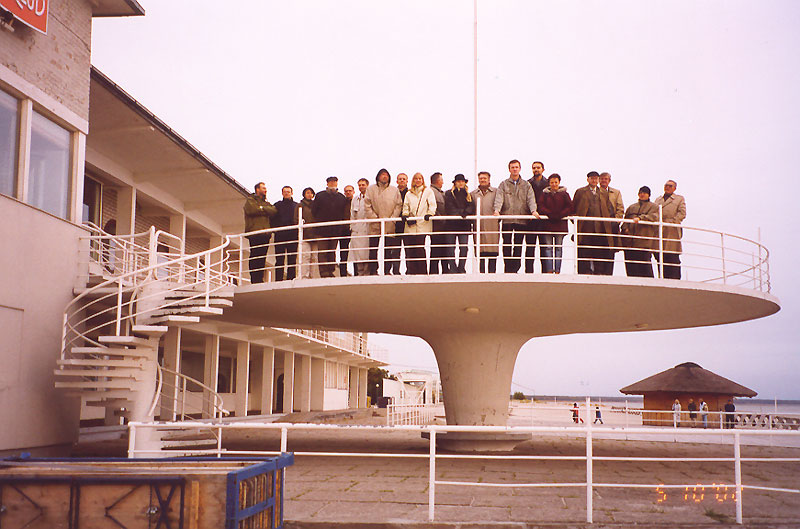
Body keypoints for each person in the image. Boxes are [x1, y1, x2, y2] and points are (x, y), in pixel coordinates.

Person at [493, 159, 538, 273]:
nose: (514, 169)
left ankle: (515, 267)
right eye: (512, 167)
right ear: (509, 169)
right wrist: (497, 211)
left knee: (518, 245)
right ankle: (508, 268)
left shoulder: (526, 185)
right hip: (507, 219)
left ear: (520, 169)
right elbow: (499, 198)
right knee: (506, 244)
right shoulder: (503, 184)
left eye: (516, 167)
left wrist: (533, 211)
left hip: (521, 219)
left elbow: (530, 199)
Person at [572, 171, 614, 275]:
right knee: (585, 250)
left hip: (600, 228)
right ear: (588, 179)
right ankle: (585, 271)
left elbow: (609, 209)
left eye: (596, 178)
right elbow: (573, 208)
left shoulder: (603, 193)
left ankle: (598, 271)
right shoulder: (581, 191)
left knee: (598, 251)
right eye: (592, 178)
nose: (594, 180)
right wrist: (576, 222)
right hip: (585, 228)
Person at [365, 168, 402, 275]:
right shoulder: (370, 189)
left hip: (389, 224)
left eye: (386, 175)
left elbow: (398, 205)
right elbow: (367, 205)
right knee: (373, 249)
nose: (384, 176)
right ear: (378, 176)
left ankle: (387, 270)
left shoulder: (394, 190)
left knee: (388, 249)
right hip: (375, 224)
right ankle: (373, 270)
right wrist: (374, 219)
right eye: (382, 175)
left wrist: (393, 219)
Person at [312, 177, 348, 278]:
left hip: (335, 230)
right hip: (322, 230)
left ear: (337, 183)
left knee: (332, 252)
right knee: (323, 251)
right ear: (327, 183)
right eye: (330, 182)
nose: (332, 184)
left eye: (334, 182)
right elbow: (314, 211)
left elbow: (343, 212)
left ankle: (331, 271)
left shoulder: (341, 197)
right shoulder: (320, 195)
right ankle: (323, 272)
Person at [537, 174, 573, 274]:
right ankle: (549, 270)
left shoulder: (565, 194)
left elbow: (569, 207)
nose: (554, 184)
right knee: (548, 248)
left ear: (559, 182)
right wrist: (550, 214)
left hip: (560, 225)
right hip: (548, 225)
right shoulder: (544, 194)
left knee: (558, 248)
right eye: (552, 182)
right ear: (549, 183)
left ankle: (557, 270)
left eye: (555, 182)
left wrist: (559, 215)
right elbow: (540, 206)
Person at [401, 172, 437, 275]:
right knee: (410, 249)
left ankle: (422, 271)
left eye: (420, 178)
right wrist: (405, 214)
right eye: (416, 178)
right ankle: (411, 270)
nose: (418, 180)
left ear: (423, 180)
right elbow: (406, 206)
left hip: (422, 224)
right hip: (410, 225)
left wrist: (430, 213)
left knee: (419, 248)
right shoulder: (409, 193)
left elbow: (432, 204)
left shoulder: (427, 191)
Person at [243, 181, 278, 283]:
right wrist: (265, 210)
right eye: (263, 188)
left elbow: (274, 211)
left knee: (262, 257)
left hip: (265, 234)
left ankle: (260, 278)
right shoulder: (250, 200)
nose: (265, 190)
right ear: (257, 189)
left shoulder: (266, 203)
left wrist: (262, 208)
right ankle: (254, 279)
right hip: (255, 232)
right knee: (255, 255)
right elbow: (251, 210)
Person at [622, 186, 659, 278]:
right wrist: (625, 229)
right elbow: (625, 220)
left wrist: (641, 218)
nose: (642, 194)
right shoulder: (631, 207)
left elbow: (654, 217)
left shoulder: (654, 207)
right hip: (630, 242)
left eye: (645, 193)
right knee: (631, 267)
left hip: (643, 242)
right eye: (641, 192)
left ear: (649, 195)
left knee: (644, 267)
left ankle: (649, 286)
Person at [654, 180, 687, 279]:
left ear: (674, 188)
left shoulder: (679, 199)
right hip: (659, 229)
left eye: (670, 186)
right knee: (659, 255)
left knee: (672, 256)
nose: (667, 187)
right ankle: (662, 277)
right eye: (666, 185)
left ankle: (674, 278)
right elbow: (654, 212)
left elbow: (682, 213)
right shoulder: (658, 200)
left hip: (671, 230)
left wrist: (673, 223)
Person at [444, 174, 475, 273]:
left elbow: (471, 207)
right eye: (459, 181)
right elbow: (449, 207)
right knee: (450, 248)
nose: (461, 183)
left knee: (464, 248)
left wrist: (465, 212)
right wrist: (461, 213)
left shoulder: (468, 195)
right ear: (455, 183)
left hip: (464, 226)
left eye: (462, 181)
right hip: (451, 225)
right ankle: (453, 268)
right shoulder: (449, 193)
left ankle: (461, 267)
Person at [471, 171, 499, 273]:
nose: (483, 180)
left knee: (493, 252)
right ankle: (481, 273)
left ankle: (492, 274)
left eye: (485, 178)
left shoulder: (496, 192)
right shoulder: (473, 194)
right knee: (480, 250)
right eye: (481, 178)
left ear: (489, 179)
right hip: (479, 226)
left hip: (492, 226)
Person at [599, 172, 625, 274]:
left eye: (606, 179)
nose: (603, 181)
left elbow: (620, 208)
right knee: (599, 249)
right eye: (601, 179)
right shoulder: (596, 192)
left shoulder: (616, 192)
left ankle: (608, 273)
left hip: (612, 225)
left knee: (610, 250)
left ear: (609, 180)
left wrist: (616, 221)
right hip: (600, 226)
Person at [527, 161, 549, 272]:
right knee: (530, 247)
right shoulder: (527, 183)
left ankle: (545, 271)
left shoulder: (549, 183)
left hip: (544, 220)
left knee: (544, 247)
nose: (536, 169)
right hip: (530, 220)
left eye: (538, 168)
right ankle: (528, 271)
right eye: (534, 168)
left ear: (543, 169)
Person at [272, 186, 298, 281]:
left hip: (293, 236)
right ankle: (278, 279)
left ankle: (291, 279)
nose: (286, 193)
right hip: (280, 236)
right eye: (285, 192)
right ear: (282, 193)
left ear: (292, 193)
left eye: (288, 192)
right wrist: (275, 229)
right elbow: (272, 219)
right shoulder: (277, 205)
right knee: (279, 260)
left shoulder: (296, 206)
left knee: (292, 259)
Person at [386, 173, 409, 275]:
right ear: (396, 181)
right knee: (394, 251)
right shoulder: (392, 193)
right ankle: (395, 271)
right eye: (400, 179)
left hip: (408, 225)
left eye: (404, 179)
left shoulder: (410, 192)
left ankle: (410, 270)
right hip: (395, 225)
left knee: (408, 250)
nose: (402, 180)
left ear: (407, 181)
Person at [429, 172, 449, 274]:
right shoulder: (431, 192)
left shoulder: (441, 192)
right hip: (436, 226)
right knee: (436, 249)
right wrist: (440, 218)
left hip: (443, 226)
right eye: (441, 179)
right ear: (437, 181)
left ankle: (445, 269)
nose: (443, 182)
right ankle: (434, 271)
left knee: (444, 249)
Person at [295, 187, 318, 279]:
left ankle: (312, 275)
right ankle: (304, 275)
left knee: (314, 257)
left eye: (311, 193)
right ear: (304, 194)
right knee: (306, 255)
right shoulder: (300, 206)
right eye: (307, 193)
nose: (309, 194)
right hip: (305, 234)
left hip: (315, 234)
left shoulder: (316, 206)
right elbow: (296, 218)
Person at [349, 178, 370, 276]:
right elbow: (352, 214)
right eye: (360, 185)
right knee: (357, 253)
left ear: (367, 185)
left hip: (367, 229)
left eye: (363, 185)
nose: (361, 187)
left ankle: (367, 273)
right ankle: (360, 273)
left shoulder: (371, 197)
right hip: (357, 230)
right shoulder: (355, 198)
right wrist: (353, 227)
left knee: (367, 253)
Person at [338, 184, 355, 277]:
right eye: (346, 191)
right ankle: (343, 274)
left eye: (350, 190)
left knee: (355, 252)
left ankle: (356, 273)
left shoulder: (356, 201)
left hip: (354, 229)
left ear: (353, 191)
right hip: (343, 230)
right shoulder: (341, 203)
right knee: (343, 253)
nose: (348, 192)